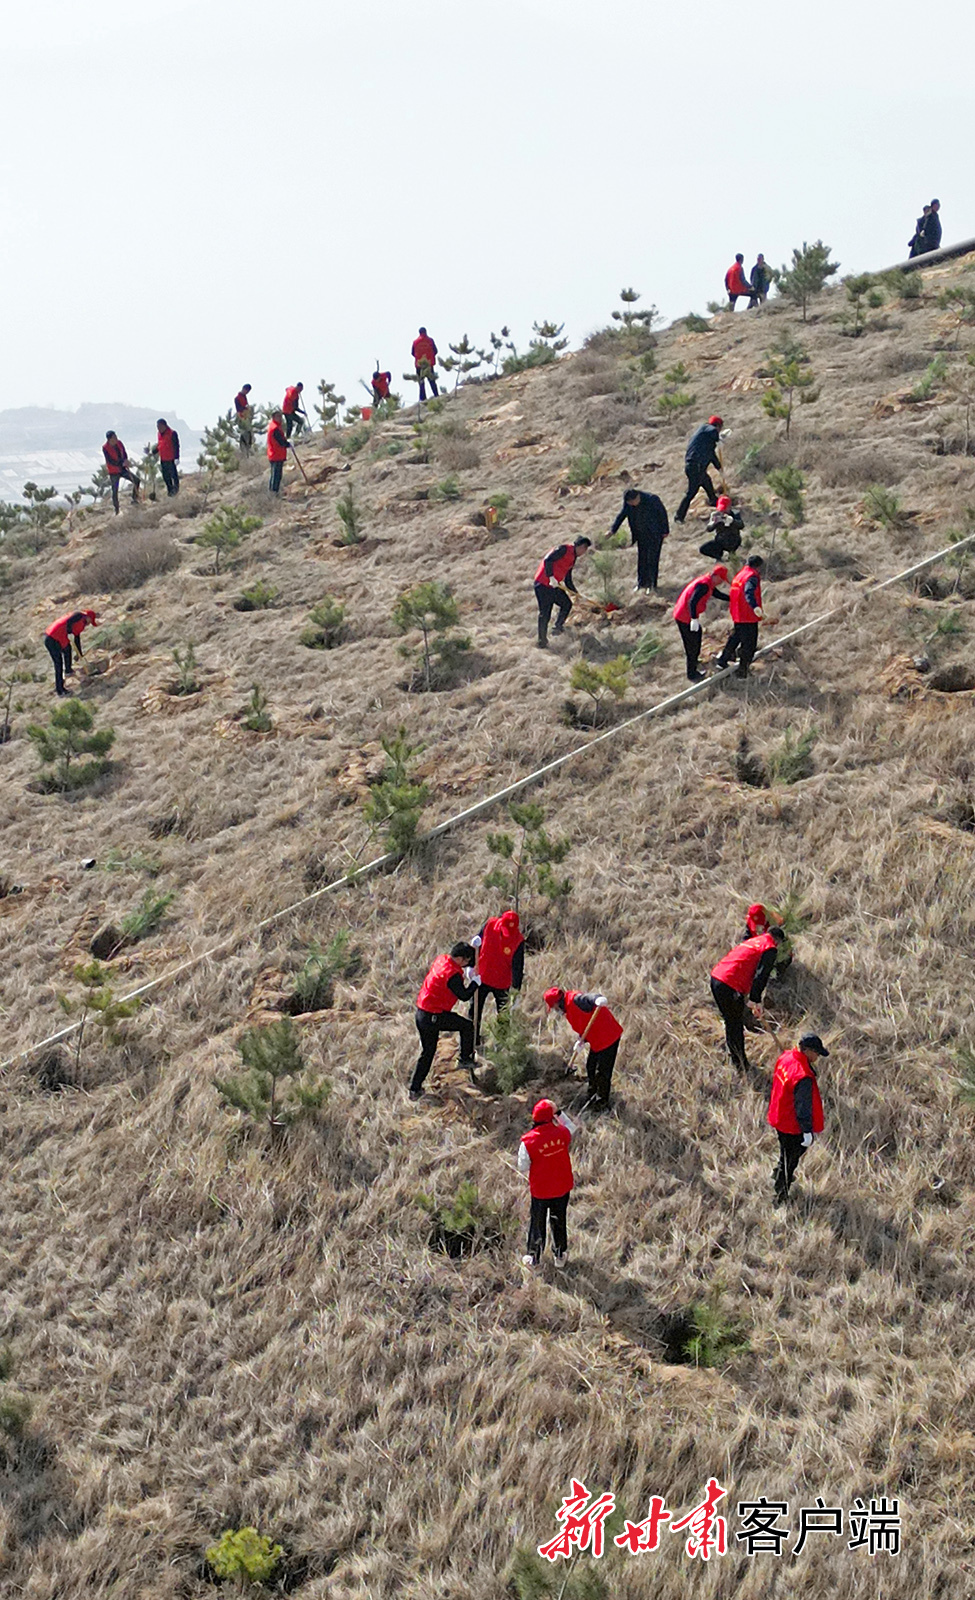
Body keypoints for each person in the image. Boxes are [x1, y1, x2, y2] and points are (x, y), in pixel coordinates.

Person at [710, 926, 785, 1073]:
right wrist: (755, 999)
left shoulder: (754, 941)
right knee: (735, 1024)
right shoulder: (769, 947)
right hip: (729, 984)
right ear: (777, 940)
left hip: (716, 977)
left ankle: (735, 1058)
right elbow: (761, 974)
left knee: (731, 1021)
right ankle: (741, 1065)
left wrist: (753, 999)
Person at [409, 941, 479, 1100]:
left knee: (427, 1053)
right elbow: (464, 995)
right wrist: (475, 983)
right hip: (434, 1017)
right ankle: (465, 1059)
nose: (467, 965)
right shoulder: (452, 975)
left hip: (422, 1013)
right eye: (467, 961)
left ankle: (414, 1089)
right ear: (460, 959)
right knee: (467, 1027)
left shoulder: (442, 960)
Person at [768, 1034, 828, 1204]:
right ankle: (780, 1194)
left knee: (785, 1151)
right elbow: (803, 1108)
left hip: (779, 1115)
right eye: (816, 1053)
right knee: (791, 1159)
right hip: (792, 1124)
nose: (817, 1057)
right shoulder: (802, 1076)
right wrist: (807, 1132)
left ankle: (778, 1172)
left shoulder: (786, 1057)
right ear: (807, 1051)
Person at [544, 985, 623, 1112]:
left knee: (602, 1072)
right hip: (597, 1040)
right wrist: (581, 1040)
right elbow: (585, 1023)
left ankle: (602, 1103)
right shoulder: (568, 1010)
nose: (554, 1010)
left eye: (553, 1007)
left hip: (609, 1037)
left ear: (557, 1003)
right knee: (590, 1067)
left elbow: (591, 998)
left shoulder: (576, 999)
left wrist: (598, 999)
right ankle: (592, 1096)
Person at [518, 1098, 577, 1267]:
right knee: (559, 1220)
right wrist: (558, 1113)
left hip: (541, 1191)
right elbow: (572, 1128)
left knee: (538, 1222)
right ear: (552, 1116)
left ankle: (534, 1257)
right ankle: (559, 1255)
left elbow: (522, 1166)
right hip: (562, 1187)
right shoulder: (562, 1133)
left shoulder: (528, 1141)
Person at [469, 910, 525, 1046]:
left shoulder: (518, 940)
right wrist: (470, 966)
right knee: (474, 1010)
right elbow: (477, 943)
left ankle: (501, 1044)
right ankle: (472, 1041)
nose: (507, 933)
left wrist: (515, 992)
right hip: (482, 977)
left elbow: (518, 968)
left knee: (504, 1015)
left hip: (502, 982)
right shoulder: (489, 924)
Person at [672, 564, 730, 681]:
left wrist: (732, 598)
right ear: (716, 576)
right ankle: (692, 674)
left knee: (697, 637)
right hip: (685, 617)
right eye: (721, 580)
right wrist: (693, 619)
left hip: (686, 615)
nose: (721, 583)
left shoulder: (708, 583)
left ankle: (694, 662)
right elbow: (692, 602)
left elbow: (717, 594)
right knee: (692, 645)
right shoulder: (704, 585)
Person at [533, 537, 591, 648]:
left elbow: (568, 579)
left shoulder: (573, 558)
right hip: (543, 584)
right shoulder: (563, 549)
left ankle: (557, 628)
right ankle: (542, 642)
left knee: (567, 604)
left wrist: (576, 594)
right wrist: (550, 577)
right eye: (584, 549)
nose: (584, 553)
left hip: (554, 586)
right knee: (545, 613)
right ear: (580, 546)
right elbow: (548, 560)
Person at [609, 487, 670, 592]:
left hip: (655, 534)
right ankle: (641, 583)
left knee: (652, 559)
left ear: (637, 497)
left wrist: (665, 531)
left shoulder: (652, 499)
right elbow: (622, 515)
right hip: (641, 535)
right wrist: (612, 530)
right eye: (629, 503)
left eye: (633, 502)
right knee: (642, 559)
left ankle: (652, 585)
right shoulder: (628, 503)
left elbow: (663, 514)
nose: (632, 504)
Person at [714, 554, 765, 679]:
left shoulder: (739, 575)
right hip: (748, 615)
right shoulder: (752, 576)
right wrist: (755, 607)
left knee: (736, 637)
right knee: (749, 644)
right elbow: (748, 592)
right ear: (757, 567)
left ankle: (723, 660)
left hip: (737, 613)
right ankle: (742, 671)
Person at [675, 417, 723, 523]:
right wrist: (719, 438)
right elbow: (713, 432)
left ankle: (715, 503)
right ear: (718, 426)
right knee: (692, 492)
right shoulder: (707, 428)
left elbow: (711, 455)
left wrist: (718, 467)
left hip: (696, 466)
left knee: (707, 482)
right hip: (695, 466)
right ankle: (679, 516)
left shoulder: (705, 440)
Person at [44, 609, 97, 696]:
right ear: (88, 617)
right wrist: (68, 629)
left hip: (53, 635)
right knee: (58, 664)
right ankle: (60, 690)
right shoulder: (79, 616)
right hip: (53, 638)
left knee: (67, 649)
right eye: (90, 621)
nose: (89, 624)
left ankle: (68, 670)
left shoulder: (79, 619)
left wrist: (79, 653)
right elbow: (69, 624)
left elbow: (77, 638)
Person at [743, 903, 793, 977]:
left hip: (776, 951)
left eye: (760, 924)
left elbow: (784, 945)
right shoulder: (751, 919)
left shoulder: (777, 922)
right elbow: (747, 936)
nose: (757, 927)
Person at [102, 431, 139, 514]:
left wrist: (125, 460)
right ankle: (117, 509)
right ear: (109, 439)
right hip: (114, 471)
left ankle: (134, 499)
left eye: (116, 437)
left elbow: (124, 453)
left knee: (136, 480)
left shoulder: (119, 443)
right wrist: (121, 462)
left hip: (122, 469)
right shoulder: (105, 448)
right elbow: (110, 461)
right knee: (115, 491)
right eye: (114, 437)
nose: (116, 439)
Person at [699, 494, 743, 561]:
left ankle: (732, 556)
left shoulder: (735, 513)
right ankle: (719, 558)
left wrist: (732, 521)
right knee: (704, 549)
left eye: (725, 509)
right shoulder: (715, 514)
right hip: (720, 540)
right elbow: (709, 529)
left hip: (733, 539)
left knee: (732, 550)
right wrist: (714, 523)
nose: (722, 512)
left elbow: (741, 525)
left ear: (729, 507)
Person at [153, 419, 180, 496]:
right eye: (157, 427)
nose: (158, 428)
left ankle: (176, 490)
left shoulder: (172, 433)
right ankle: (170, 491)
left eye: (160, 427)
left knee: (173, 476)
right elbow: (160, 444)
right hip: (163, 459)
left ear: (164, 425)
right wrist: (154, 451)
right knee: (166, 477)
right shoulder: (159, 434)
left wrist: (176, 457)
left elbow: (176, 446)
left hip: (171, 459)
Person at [411, 327, 439, 400]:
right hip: (429, 364)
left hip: (419, 365)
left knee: (421, 382)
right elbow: (435, 351)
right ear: (426, 332)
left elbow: (412, 353)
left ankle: (423, 399)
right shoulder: (430, 341)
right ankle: (436, 395)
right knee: (432, 380)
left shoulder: (415, 342)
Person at [266, 410, 289, 493]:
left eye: (281, 416)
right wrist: (288, 444)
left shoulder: (273, 426)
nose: (281, 418)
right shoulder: (275, 428)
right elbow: (281, 442)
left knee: (274, 475)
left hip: (274, 454)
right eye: (278, 417)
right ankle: (273, 494)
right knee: (276, 476)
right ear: (274, 417)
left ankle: (272, 493)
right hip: (276, 455)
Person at [234, 384, 254, 455]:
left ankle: (248, 448)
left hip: (246, 417)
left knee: (249, 434)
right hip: (241, 418)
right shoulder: (237, 398)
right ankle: (243, 450)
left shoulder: (244, 397)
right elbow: (239, 409)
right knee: (244, 434)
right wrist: (245, 411)